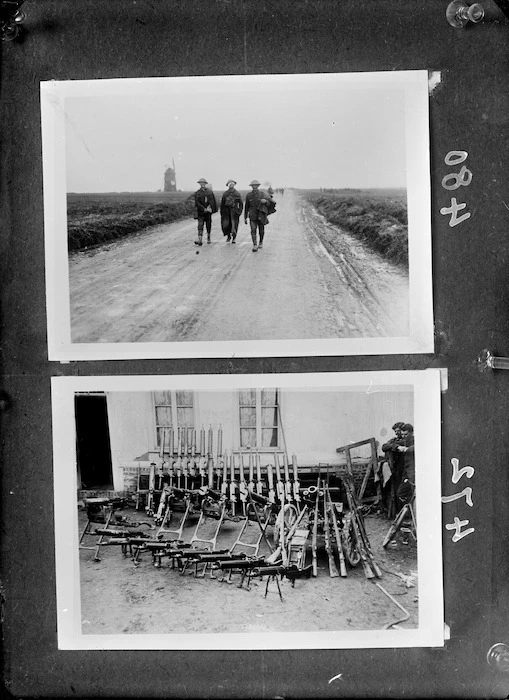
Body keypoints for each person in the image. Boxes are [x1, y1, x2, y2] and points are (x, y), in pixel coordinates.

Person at [244, 179, 276, 252]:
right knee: (253, 230)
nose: (254, 187)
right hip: (252, 216)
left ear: (258, 186)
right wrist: (245, 217)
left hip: (261, 214)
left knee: (261, 230)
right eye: (253, 186)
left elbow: (269, 203)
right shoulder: (249, 195)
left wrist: (265, 202)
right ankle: (255, 245)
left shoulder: (262, 194)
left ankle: (261, 242)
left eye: (256, 185)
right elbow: (246, 207)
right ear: (251, 186)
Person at [194, 178, 217, 246]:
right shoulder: (198, 193)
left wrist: (210, 207)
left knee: (208, 225)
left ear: (205, 184)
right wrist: (203, 208)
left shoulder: (209, 192)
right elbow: (197, 203)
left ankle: (208, 237)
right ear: (199, 184)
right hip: (201, 212)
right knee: (200, 225)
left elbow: (213, 201)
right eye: (201, 183)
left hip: (208, 213)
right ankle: (200, 239)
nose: (202, 184)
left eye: (203, 183)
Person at [396, 423, 415, 504]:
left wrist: (407, 449)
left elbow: (419, 446)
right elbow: (385, 446)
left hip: (414, 474)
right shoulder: (403, 442)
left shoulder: (416, 440)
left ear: (411, 433)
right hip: (406, 474)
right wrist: (397, 447)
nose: (403, 436)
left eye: (406, 434)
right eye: (402, 434)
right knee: (400, 494)